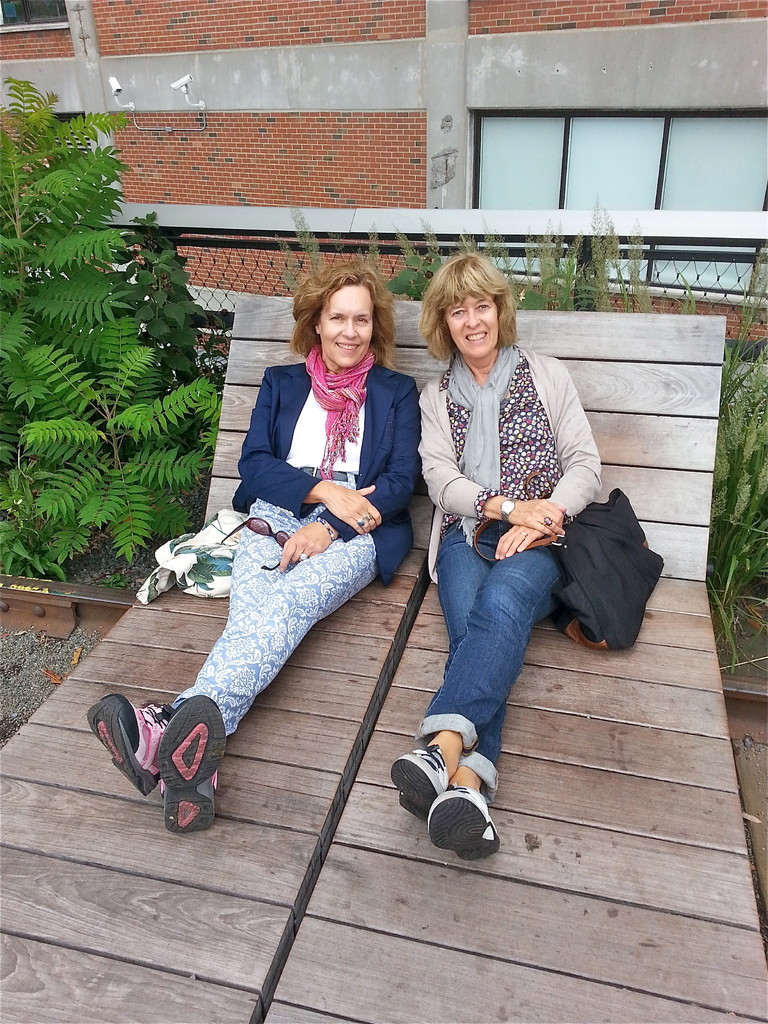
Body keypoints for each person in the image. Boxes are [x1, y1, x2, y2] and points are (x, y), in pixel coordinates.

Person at [88, 259, 421, 834]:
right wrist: (321, 491)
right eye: (337, 317)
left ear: (375, 327)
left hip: (359, 530)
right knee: (252, 613)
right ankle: (194, 770)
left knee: (286, 605)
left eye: (361, 320)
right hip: (274, 516)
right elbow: (255, 468)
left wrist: (332, 524)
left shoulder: (396, 393)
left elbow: (399, 483)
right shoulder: (282, 384)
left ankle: (162, 729)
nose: (349, 331)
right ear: (316, 322)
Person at [391, 252, 601, 860]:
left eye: (481, 306)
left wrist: (545, 516)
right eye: (458, 311)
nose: (472, 321)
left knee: (502, 602)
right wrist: (508, 509)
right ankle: (468, 788)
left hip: (541, 540)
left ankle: (438, 748)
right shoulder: (436, 398)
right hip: (465, 534)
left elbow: (584, 464)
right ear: (444, 323)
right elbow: (440, 479)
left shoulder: (547, 375)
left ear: (500, 311)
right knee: (478, 637)